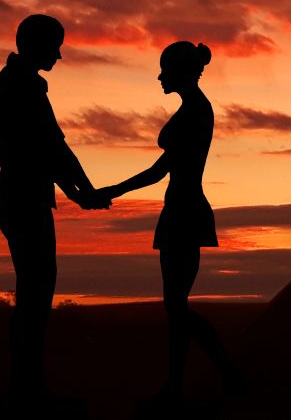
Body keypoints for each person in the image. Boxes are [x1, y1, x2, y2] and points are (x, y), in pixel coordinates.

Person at [96, 41, 244, 404]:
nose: (159, 76)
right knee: (175, 307)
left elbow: (159, 170)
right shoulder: (194, 108)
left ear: (180, 72)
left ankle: (219, 377)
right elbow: (163, 169)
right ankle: (184, 386)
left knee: (176, 307)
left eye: (165, 70)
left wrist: (113, 189)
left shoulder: (195, 111)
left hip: (185, 211)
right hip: (180, 209)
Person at [0, 14, 110, 400]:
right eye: (55, 46)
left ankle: (27, 386)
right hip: (23, 201)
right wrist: (84, 190)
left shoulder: (19, 83)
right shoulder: (21, 85)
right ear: (36, 45)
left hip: (22, 198)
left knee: (35, 296)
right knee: (36, 299)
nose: (59, 55)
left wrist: (78, 192)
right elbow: (51, 148)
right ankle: (27, 390)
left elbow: (49, 151)